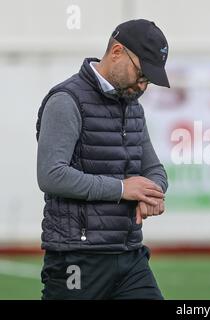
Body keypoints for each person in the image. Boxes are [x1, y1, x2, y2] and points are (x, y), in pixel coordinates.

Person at [36, 19, 170, 300]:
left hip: (129, 255)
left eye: (149, 80)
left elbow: (153, 169)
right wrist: (122, 189)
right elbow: (51, 175)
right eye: (141, 73)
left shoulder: (133, 107)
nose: (143, 85)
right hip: (75, 259)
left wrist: (153, 191)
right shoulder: (66, 100)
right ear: (117, 51)